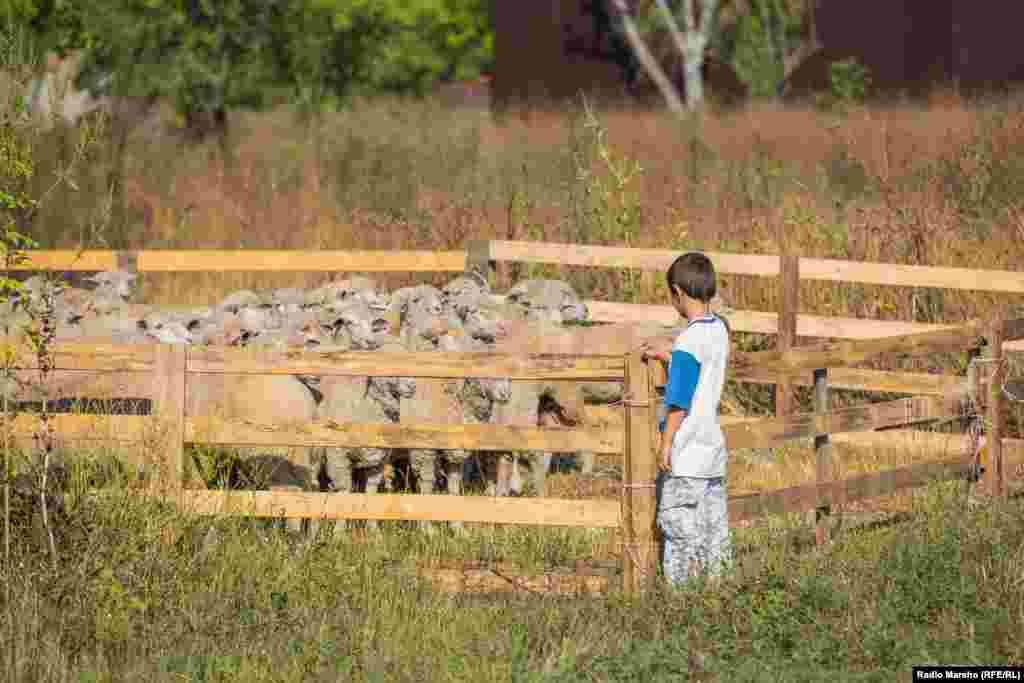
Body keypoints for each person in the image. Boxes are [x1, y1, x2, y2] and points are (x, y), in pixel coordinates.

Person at [639, 252, 732, 587]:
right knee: (714, 533)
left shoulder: (689, 340)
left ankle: (682, 602)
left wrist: (666, 444)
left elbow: (678, 400)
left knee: (680, 531)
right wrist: (672, 355)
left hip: (687, 451)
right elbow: (700, 364)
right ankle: (717, 593)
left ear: (677, 292)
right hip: (713, 451)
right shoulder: (719, 329)